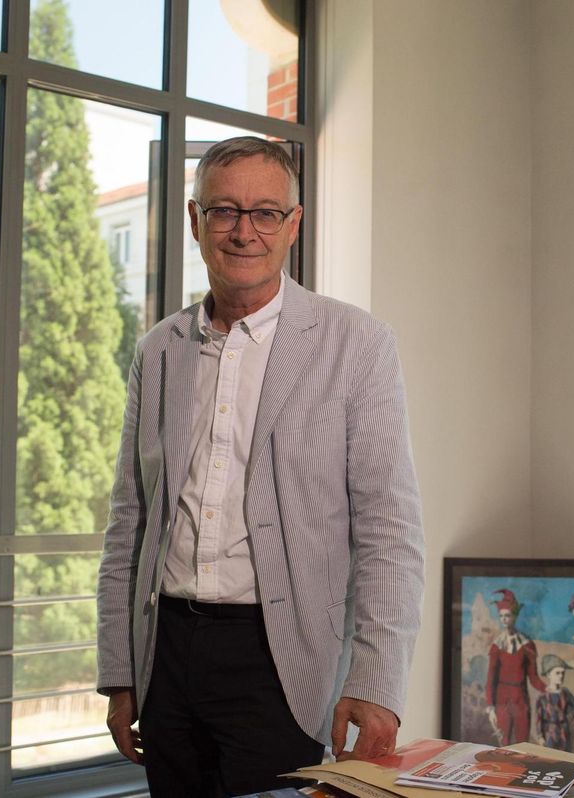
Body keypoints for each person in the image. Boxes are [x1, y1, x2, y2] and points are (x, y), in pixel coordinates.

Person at [95, 136, 425, 796]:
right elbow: (129, 526)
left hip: (281, 658)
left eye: (265, 212)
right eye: (224, 211)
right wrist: (121, 672)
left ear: (292, 225)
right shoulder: (159, 350)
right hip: (167, 658)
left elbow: (389, 532)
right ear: (195, 221)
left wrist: (376, 683)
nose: (244, 231)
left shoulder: (355, 344)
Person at [484, 589, 545, 745]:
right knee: (504, 743)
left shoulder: (527, 645)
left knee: (523, 744)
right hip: (501, 700)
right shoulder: (497, 646)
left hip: (521, 699)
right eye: (501, 616)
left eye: (508, 616)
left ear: (515, 617)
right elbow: (490, 679)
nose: (504, 619)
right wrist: (491, 706)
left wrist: (549, 688)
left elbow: (533, 677)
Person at [534, 654, 574, 751]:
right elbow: (539, 719)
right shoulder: (542, 697)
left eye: (563, 673)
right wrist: (540, 736)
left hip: (564, 733)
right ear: (548, 674)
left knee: (565, 759)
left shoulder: (565, 693)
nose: (561, 676)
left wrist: (566, 718)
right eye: (557, 673)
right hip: (549, 734)